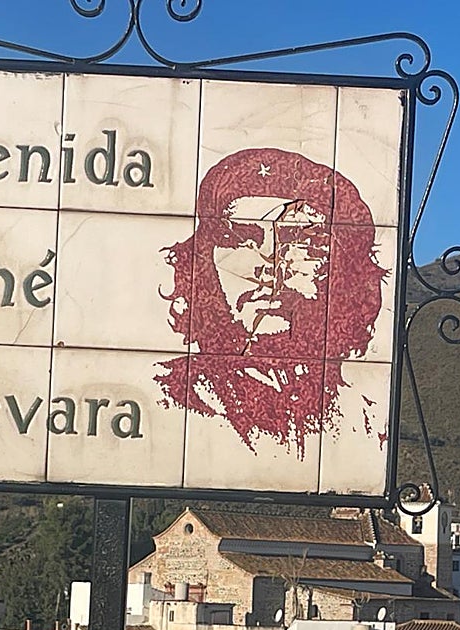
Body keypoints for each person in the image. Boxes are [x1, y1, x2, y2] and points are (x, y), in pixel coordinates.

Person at [155, 147, 388, 458]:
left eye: (301, 240)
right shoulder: (175, 396)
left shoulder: (362, 414)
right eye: (240, 238)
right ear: (201, 261)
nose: (272, 263)